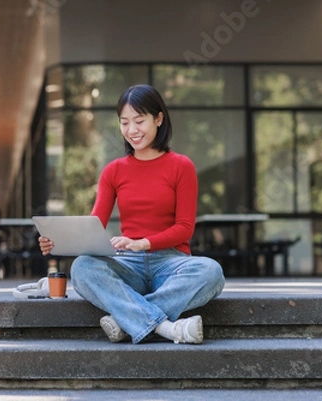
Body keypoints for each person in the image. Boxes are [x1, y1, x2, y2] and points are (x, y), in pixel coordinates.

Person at [38, 84, 225, 344]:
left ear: (159, 119)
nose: (131, 130)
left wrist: (143, 243)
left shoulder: (181, 166)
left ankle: (125, 321)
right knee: (82, 267)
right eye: (124, 122)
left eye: (139, 121)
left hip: (171, 264)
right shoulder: (114, 171)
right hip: (128, 265)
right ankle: (167, 328)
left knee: (211, 272)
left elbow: (184, 228)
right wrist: (59, 242)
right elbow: (95, 225)